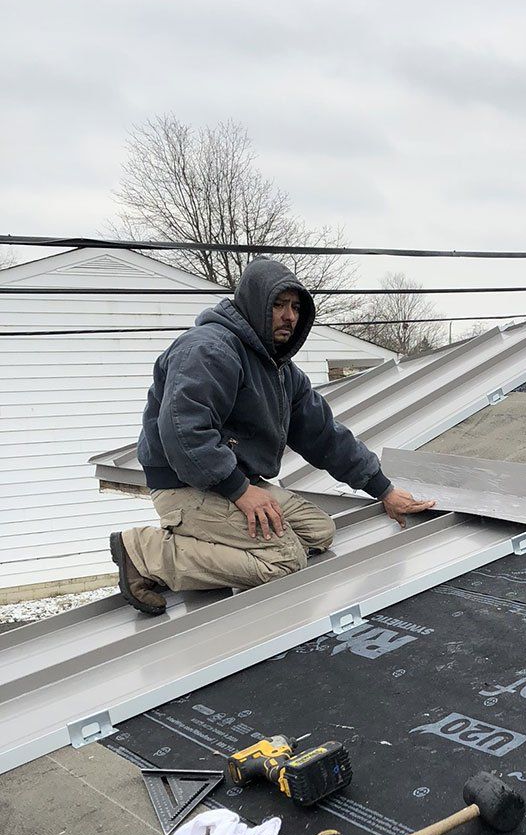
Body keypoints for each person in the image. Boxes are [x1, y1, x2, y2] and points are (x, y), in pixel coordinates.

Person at [110, 257, 434, 615]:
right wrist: (240, 491)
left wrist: (383, 489)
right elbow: (184, 434)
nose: (289, 316)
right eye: (278, 305)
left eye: (296, 307)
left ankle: (208, 540)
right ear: (254, 304)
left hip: (233, 482)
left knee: (320, 531)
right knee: (285, 560)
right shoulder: (209, 349)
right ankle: (144, 551)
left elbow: (323, 435)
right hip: (185, 486)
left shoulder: (279, 369)